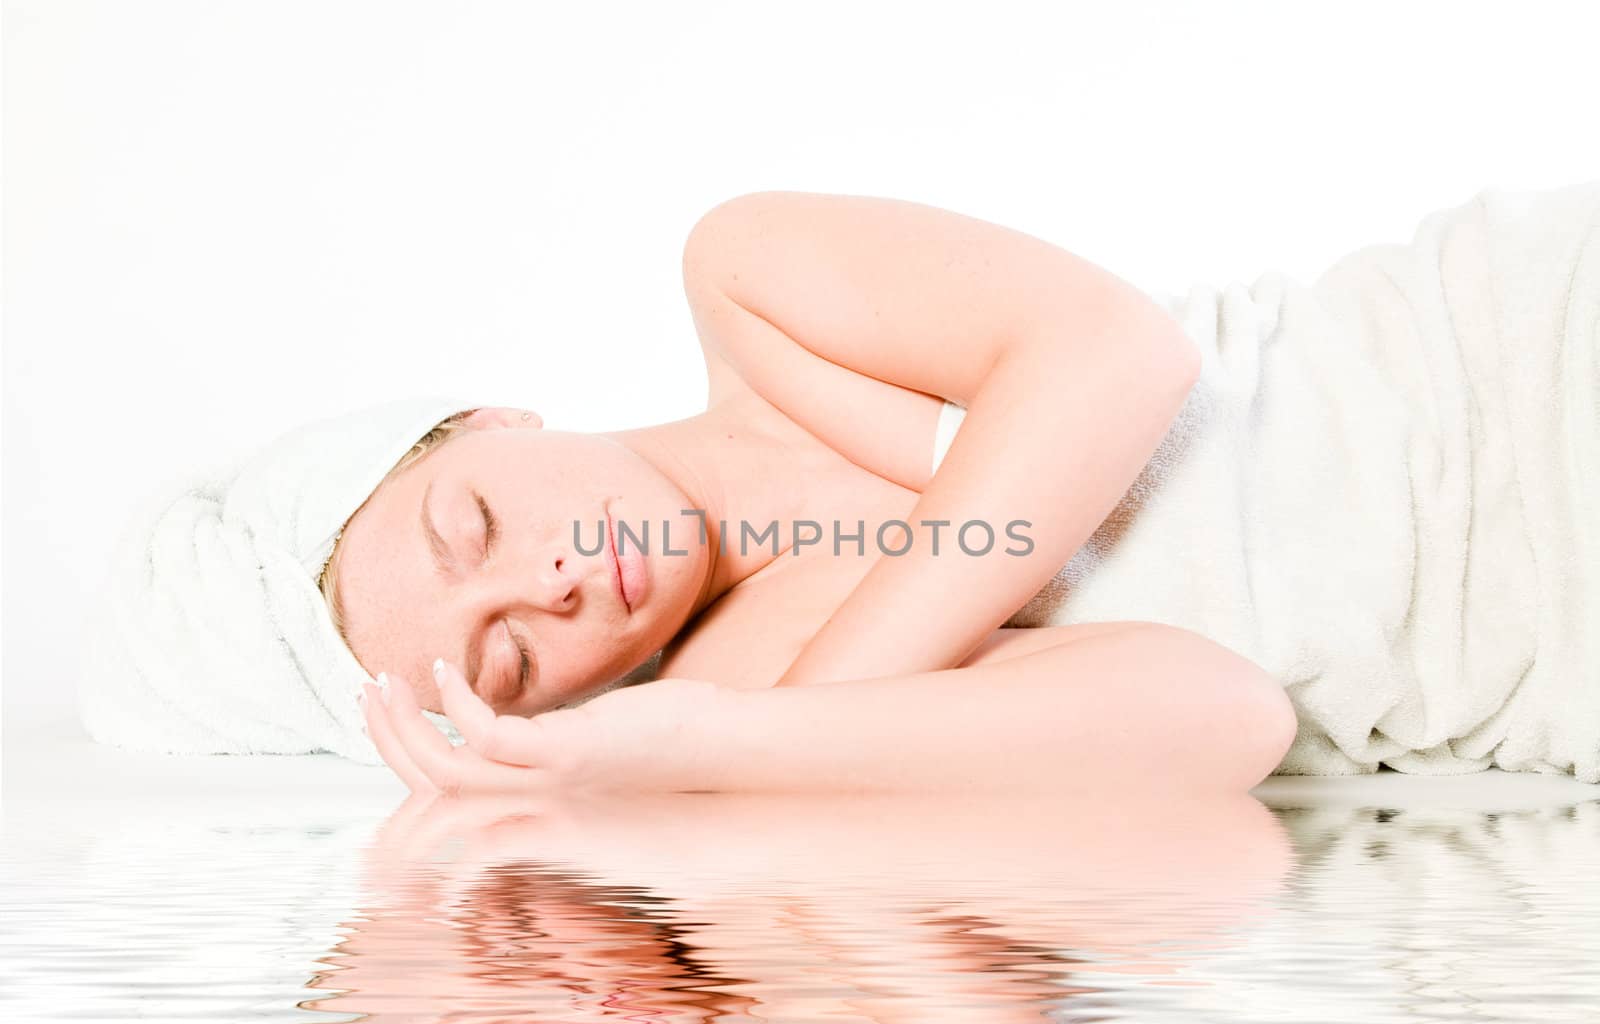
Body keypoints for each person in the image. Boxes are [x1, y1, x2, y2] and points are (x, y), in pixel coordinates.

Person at [83, 183, 1600, 792]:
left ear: (488, 416)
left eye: (473, 522)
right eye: (507, 659)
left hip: (1509, 360)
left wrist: (814, 713)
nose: (542, 586)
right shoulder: (752, 699)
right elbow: (1227, 724)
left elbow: (1112, 360)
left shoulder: (751, 290)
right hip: (1538, 662)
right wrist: (730, 744)